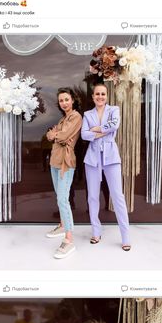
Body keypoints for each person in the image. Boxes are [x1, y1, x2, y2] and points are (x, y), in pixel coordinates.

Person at [81, 84, 131, 251]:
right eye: (97, 94)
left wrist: (96, 130)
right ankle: (96, 232)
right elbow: (84, 134)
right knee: (93, 197)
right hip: (92, 159)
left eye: (103, 94)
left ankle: (126, 237)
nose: (100, 96)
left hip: (111, 157)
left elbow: (115, 125)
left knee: (118, 196)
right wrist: (103, 131)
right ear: (93, 96)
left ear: (106, 96)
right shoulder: (87, 114)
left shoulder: (114, 110)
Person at [46, 87, 82, 259]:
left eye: (66, 99)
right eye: (61, 100)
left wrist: (57, 135)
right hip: (54, 161)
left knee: (63, 199)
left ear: (72, 100)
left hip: (66, 163)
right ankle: (62, 225)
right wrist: (55, 134)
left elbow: (62, 136)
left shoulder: (76, 117)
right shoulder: (63, 119)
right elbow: (50, 136)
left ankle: (69, 240)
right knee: (58, 197)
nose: (64, 103)